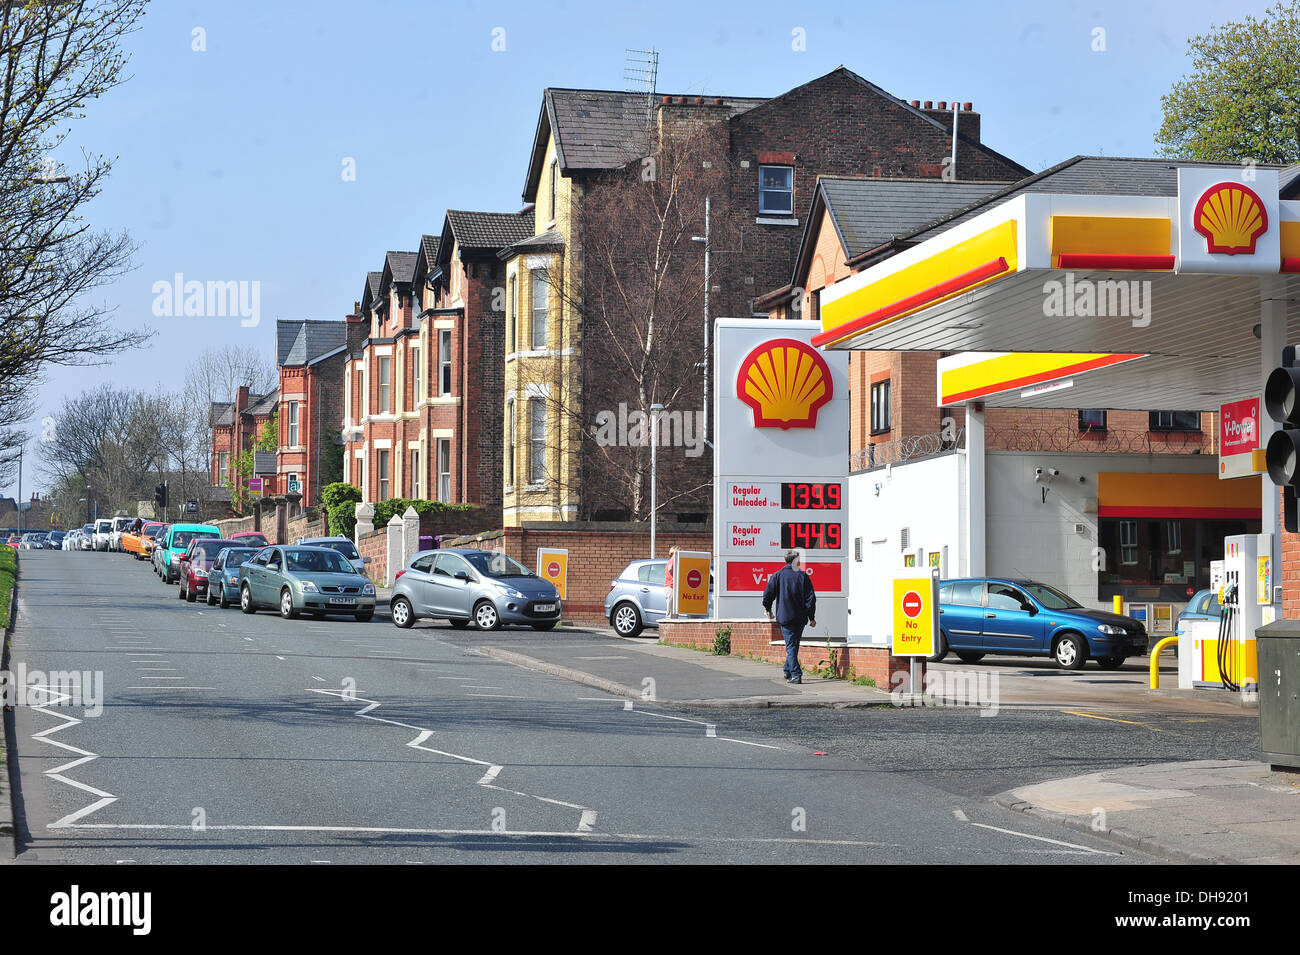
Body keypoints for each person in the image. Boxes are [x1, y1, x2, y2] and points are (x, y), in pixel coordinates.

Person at [762, 550, 817, 684]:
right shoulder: (803, 576)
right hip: (800, 617)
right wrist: (811, 617)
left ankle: (791, 672)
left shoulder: (777, 575)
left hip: (785, 616)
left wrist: (768, 609)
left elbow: (768, 595)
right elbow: (811, 598)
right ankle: (793, 672)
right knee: (793, 645)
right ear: (796, 561)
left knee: (792, 646)